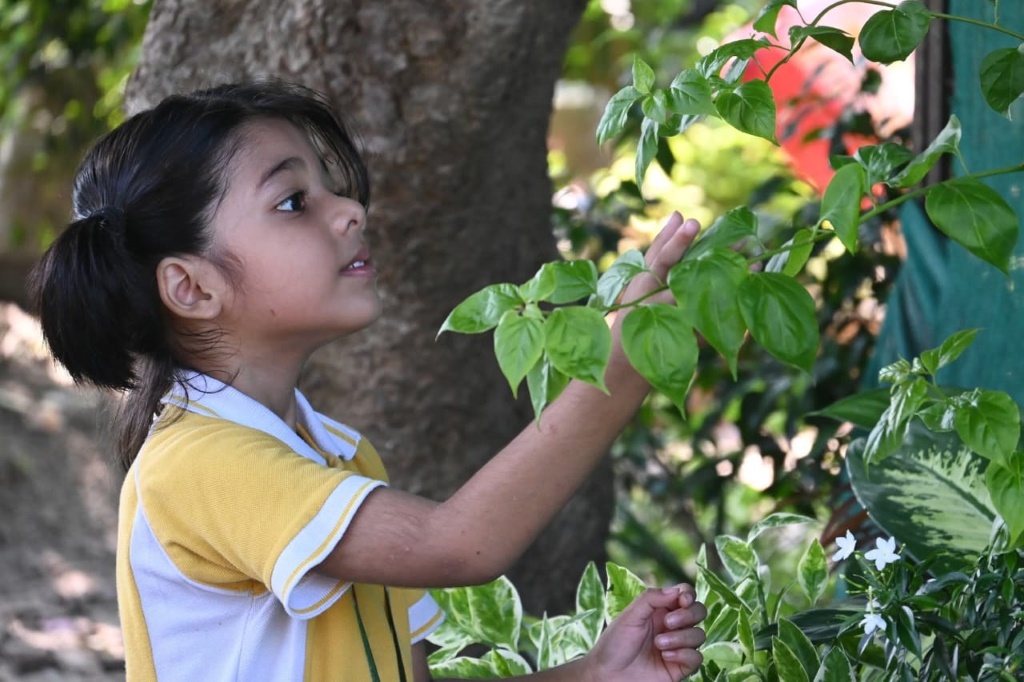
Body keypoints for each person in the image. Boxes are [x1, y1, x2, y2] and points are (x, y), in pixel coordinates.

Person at [30, 80, 707, 681]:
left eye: (329, 187)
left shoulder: (335, 456)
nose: (349, 209)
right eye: (294, 201)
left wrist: (592, 675)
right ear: (191, 286)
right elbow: (459, 545)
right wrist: (632, 356)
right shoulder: (193, 464)